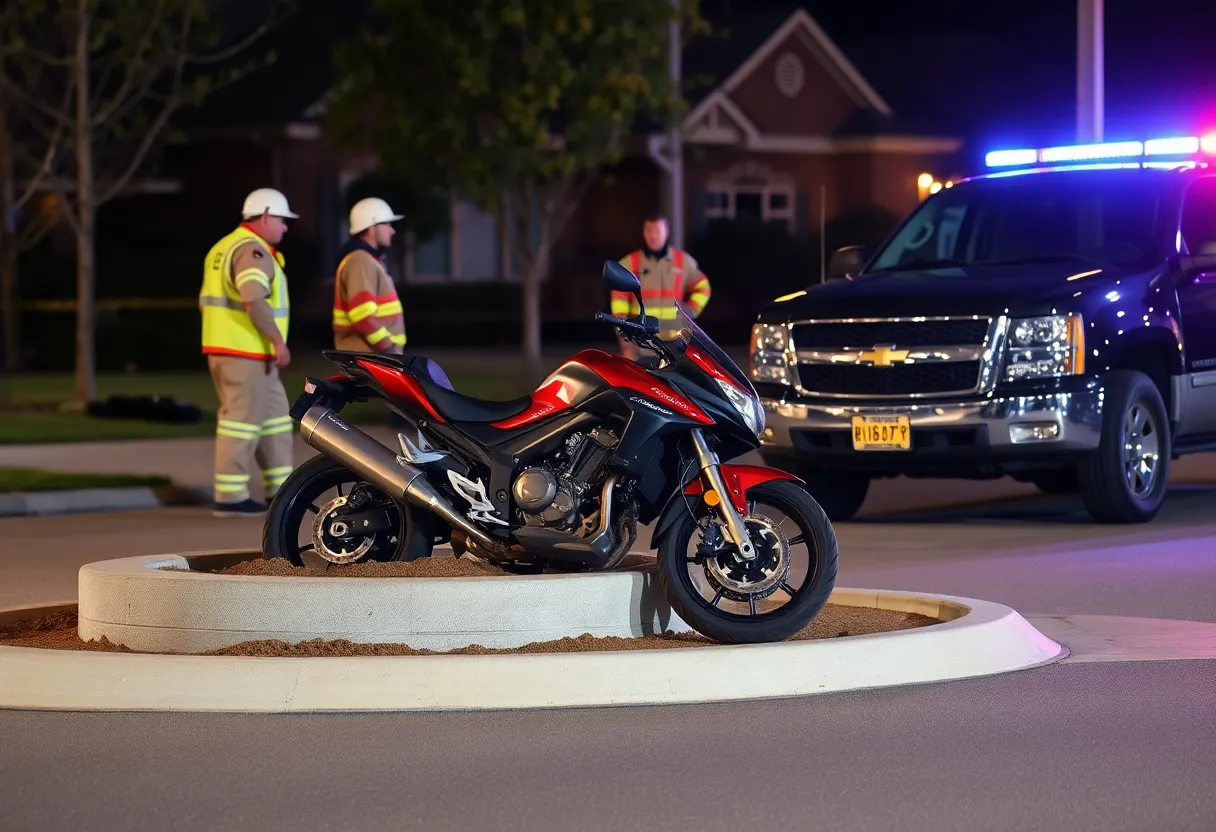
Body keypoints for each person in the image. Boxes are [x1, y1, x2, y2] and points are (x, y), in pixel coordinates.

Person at [198, 187, 296, 518]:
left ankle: (280, 493)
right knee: (240, 423)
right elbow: (253, 298)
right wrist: (276, 340)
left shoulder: (223, 247)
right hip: (245, 352)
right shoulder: (251, 250)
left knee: (275, 422)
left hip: (242, 352)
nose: (285, 227)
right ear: (265, 217)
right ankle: (230, 497)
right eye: (282, 220)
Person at [610, 212, 712, 360]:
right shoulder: (630, 263)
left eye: (657, 231)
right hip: (640, 345)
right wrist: (623, 332)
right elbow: (618, 297)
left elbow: (703, 287)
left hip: (676, 344)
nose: (653, 236)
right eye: (649, 231)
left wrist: (689, 313)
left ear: (667, 233)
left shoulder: (682, 261)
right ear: (643, 233)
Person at [332, 197, 407, 354]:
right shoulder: (360, 260)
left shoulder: (368, 260)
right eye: (386, 224)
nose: (392, 230)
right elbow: (363, 315)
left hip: (374, 357)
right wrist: (388, 348)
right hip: (372, 357)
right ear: (371, 227)